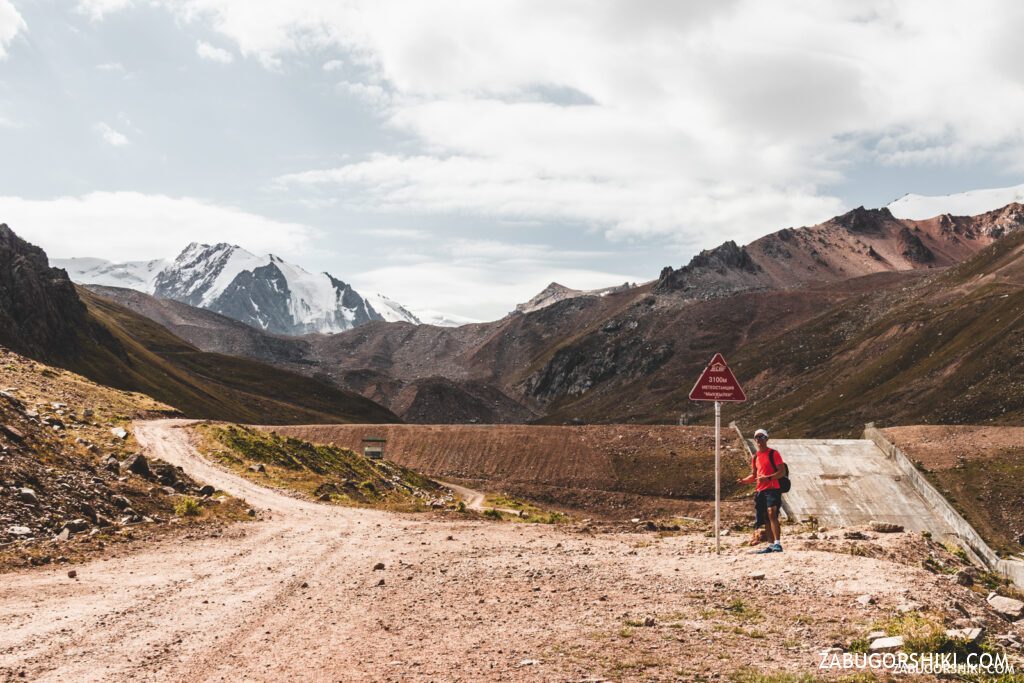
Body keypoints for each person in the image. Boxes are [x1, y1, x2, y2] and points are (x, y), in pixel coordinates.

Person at [736, 428, 785, 554]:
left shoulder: (774, 453)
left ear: (767, 439)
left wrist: (768, 478)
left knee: (772, 512)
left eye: (761, 437)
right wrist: (743, 481)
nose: (759, 439)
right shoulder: (755, 457)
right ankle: (770, 544)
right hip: (760, 490)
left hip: (773, 488)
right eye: (757, 437)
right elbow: (754, 475)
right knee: (765, 517)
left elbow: (782, 472)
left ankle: (777, 543)